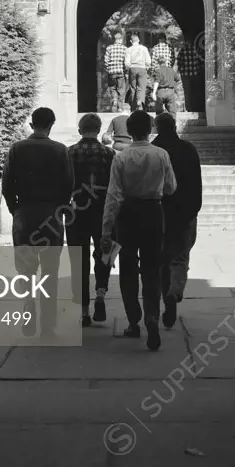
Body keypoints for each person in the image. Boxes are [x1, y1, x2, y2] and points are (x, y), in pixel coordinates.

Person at [101, 110, 177, 351]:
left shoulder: (121, 157)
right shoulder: (161, 154)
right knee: (152, 267)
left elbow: (113, 195)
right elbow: (171, 187)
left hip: (128, 214)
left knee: (128, 268)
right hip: (153, 212)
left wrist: (106, 229)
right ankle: (152, 315)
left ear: (130, 131)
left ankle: (134, 320)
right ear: (150, 128)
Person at [1, 107, 73, 340]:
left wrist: (16, 209)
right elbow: (68, 185)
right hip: (51, 214)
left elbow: (7, 185)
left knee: (26, 268)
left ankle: (28, 304)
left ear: (31, 125)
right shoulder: (60, 150)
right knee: (50, 271)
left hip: (25, 212)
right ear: (51, 124)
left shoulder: (17, 149)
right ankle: (48, 325)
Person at [152, 113, 202, 328]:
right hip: (184, 212)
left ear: (156, 127)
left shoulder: (153, 151)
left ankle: (166, 296)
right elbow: (196, 183)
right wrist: (194, 210)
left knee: (162, 259)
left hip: (159, 212)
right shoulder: (188, 149)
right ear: (174, 126)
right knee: (181, 257)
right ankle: (175, 290)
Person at [65, 114, 115, 327]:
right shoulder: (109, 153)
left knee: (79, 258)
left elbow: (64, 183)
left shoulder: (69, 153)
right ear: (99, 129)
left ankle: (84, 311)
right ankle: (101, 293)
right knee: (103, 253)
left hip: (76, 209)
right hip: (102, 210)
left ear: (79, 130)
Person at [124, 32, 152, 111]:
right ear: (138, 40)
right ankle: (140, 104)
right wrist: (146, 67)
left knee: (133, 88)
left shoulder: (128, 49)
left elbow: (127, 63)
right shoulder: (144, 48)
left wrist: (129, 69)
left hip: (132, 68)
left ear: (130, 41)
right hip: (142, 68)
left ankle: (133, 108)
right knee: (141, 88)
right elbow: (148, 61)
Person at [175, 35, 202, 112]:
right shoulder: (196, 50)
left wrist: (180, 70)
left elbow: (179, 62)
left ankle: (188, 108)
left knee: (187, 92)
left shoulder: (182, 50)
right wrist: (197, 68)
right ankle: (196, 107)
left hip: (185, 74)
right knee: (196, 91)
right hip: (195, 74)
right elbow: (200, 61)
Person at [104, 30, 127, 112]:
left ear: (115, 39)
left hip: (111, 72)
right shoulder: (124, 48)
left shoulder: (109, 48)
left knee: (112, 88)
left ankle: (114, 99)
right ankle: (120, 107)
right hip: (120, 71)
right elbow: (126, 61)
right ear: (120, 39)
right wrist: (125, 70)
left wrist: (108, 68)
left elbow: (106, 61)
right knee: (121, 89)